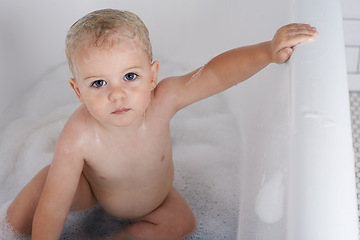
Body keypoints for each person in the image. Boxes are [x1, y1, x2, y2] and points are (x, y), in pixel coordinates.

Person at [5, 9, 318, 240]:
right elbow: (55, 206)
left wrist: (266, 51)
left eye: (130, 77)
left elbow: (214, 74)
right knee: (46, 187)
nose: (117, 94)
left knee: (182, 224)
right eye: (98, 83)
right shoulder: (78, 136)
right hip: (92, 192)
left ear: (152, 76)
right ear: (77, 91)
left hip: (155, 200)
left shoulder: (163, 99)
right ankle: (12, 227)